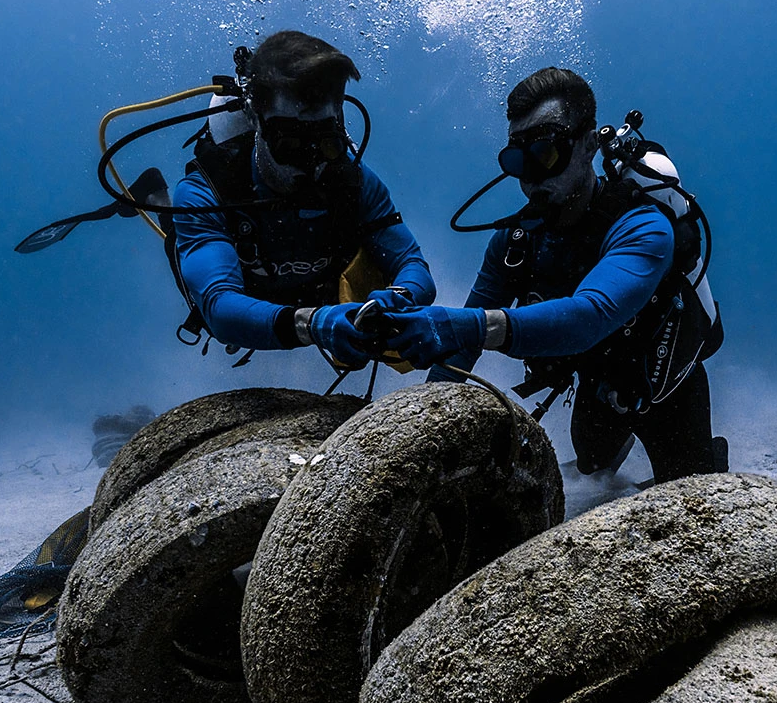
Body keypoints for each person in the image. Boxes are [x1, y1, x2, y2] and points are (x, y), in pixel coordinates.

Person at [384, 67, 725, 484]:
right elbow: (456, 352)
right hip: (599, 382)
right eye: (517, 161)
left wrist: (469, 328)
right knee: (594, 471)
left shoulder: (644, 228)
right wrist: (420, 426)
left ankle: (709, 457)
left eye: (545, 155)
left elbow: (589, 316)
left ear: (586, 146)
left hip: (666, 383)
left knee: (691, 493)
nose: (531, 179)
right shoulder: (514, 244)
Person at [172, 30, 435, 367]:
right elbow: (220, 309)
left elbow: (411, 263)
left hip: (312, 301)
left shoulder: (356, 182)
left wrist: (400, 298)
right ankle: (153, 195)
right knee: (181, 240)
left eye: (326, 141)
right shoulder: (205, 194)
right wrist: (314, 324)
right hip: (260, 301)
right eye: (290, 145)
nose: (312, 166)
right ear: (256, 124)